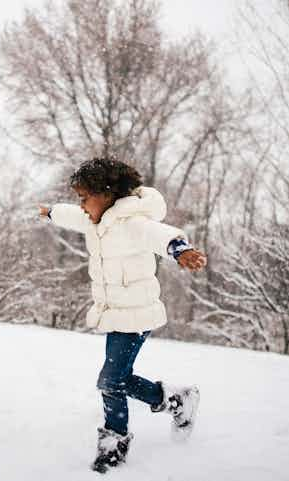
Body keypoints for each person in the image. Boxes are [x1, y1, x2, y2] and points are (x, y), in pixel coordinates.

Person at [38, 157, 207, 474]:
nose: (83, 205)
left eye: (85, 197)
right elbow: (73, 215)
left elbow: (159, 234)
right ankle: (177, 401)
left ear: (107, 193)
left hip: (137, 315)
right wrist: (51, 213)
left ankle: (114, 440)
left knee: (110, 380)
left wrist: (179, 249)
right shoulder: (94, 220)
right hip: (115, 315)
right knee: (116, 380)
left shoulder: (132, 222)